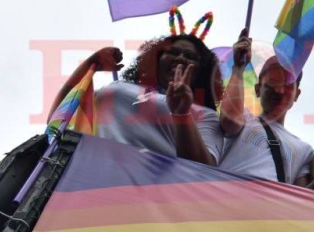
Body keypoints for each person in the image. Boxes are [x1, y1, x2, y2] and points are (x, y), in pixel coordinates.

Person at [48, 26, 223, 166]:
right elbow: (58, 116)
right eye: (172, 52)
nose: (180, 58)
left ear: (203, 71)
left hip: (143, 200)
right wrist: (91, 63)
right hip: (80, 177)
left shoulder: (205, 115)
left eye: (190, 56)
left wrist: (182, 114)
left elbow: (204, 169)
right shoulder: (117, 88)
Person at [217, 30, 314, 188]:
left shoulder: (304, 150)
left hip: (269, 211)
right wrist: (239, 68)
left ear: (297, 95)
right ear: (257, 89)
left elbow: (299, 200)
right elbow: (228, 120)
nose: (279, 90)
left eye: (288, 84)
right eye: (273, 81)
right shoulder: (243, 119)